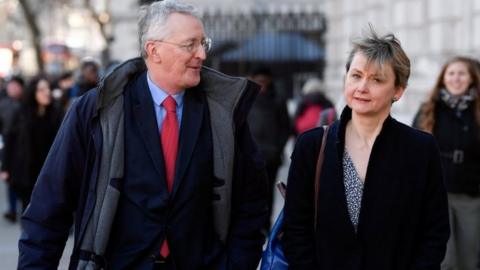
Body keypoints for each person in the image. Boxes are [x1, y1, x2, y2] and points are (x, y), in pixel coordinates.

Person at [18, 1, 268, 270]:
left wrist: (236, 264)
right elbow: (50, 205)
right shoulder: (97, 110)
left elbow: (251, 200)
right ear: (154, 50)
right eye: (190, 44)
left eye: (203, 43)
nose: (202, 55)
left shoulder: (223, 114)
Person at [282, 28, 450, 269]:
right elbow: (296, 228)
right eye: (356, 75)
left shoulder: (420, 149)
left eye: (377, 79)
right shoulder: (312, 145)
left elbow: (435, 230)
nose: (362, 86)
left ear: (398, 90)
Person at [413, 56, 480, 270]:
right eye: (451, 73)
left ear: (471, 79)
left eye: (462, 74)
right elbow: (412, 150)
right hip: (436, 193)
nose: (456, 78)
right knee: (445, 259)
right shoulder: (428, 109)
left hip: (471, 194)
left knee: (470, 259)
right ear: (443, 78)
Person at [2, 75, 62, 210]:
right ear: (33, 92)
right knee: (28, 212)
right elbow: (10, 140)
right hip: (27, 173)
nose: (46, 92)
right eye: (41, 89)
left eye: (48, 88)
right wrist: (5, 168)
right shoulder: (22, 113)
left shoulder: (56, 113)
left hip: (49, 173)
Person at [247, 65, 291, 230]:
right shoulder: (246, 99)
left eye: (264, 81)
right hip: (250, 156)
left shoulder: (278, 100)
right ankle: (252, 224)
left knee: (268, 192)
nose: (261, 84)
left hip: (271, 156)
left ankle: (265, 224)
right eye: (258, 81)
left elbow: (286, 127)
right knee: (250, 192)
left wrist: (277, 148)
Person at [0, 76, 24, 222]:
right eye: (11, 86)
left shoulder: (27, 105)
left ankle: (24, 208)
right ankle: (12, 210)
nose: (13, 89)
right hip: (7, 147)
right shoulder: (3, 105)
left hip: (22, 148)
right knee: (9, 178)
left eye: (16, 86)